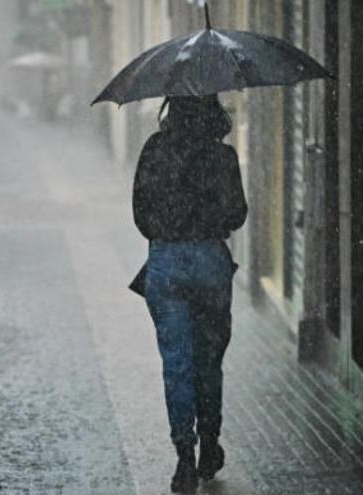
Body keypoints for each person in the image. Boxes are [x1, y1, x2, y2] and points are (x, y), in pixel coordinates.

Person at [132, 95, 247, 493]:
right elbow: (237, 214)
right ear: (214, 112)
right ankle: (210, 443)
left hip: (165, 261)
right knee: (208, 359)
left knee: (176, 363)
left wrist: (170, 225)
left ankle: (184, 455)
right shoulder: (223, 156)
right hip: (210, 262)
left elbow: (140, 214)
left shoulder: (154, 149)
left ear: (171, 109)